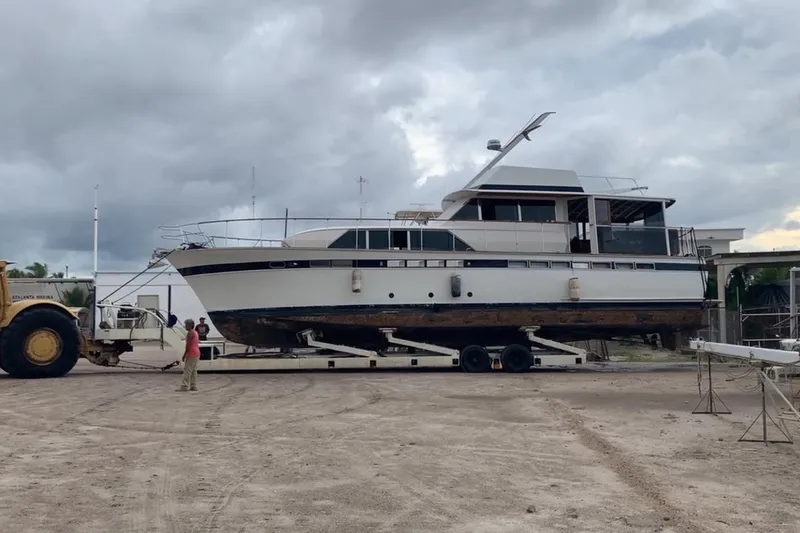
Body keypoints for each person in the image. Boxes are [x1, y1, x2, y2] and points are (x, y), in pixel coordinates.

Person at [178, 318, 201, 392]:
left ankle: (184, 386)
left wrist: (184, 355)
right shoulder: (195, 332)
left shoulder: (190, 333)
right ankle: (193, 385)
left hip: (192, 353)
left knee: (187, 370)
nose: (185, 326)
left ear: (190, 325)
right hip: (197, 352)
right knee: (194, 370)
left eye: (186, 325)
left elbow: (188, 345)